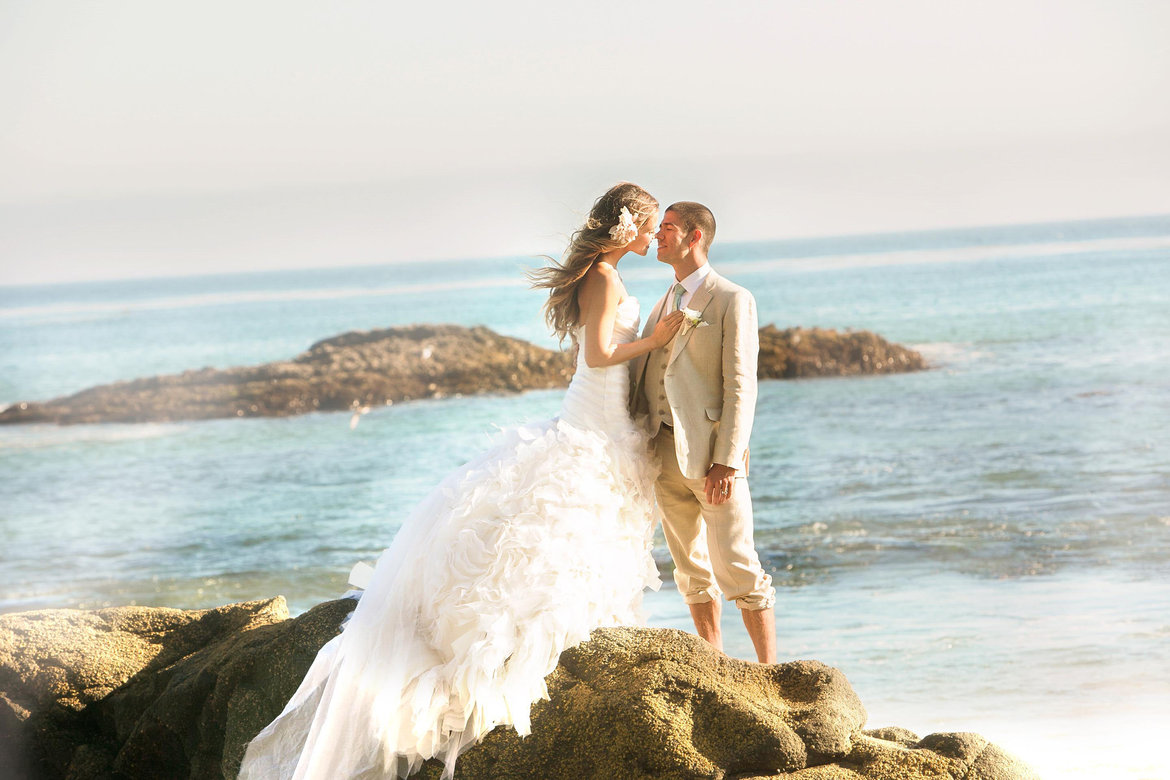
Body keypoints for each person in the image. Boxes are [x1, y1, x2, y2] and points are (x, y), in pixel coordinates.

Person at [238, 183, 684, 780]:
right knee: (569, 511)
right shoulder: (603, 278)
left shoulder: (603, 274)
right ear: (629, 227)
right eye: (651, 225)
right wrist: (659, 338)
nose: (655, 236)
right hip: (596, 406)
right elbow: (601, 355)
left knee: (578, 513)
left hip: (600, 409)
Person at [630, 201, 778, 663]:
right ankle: (715, 666)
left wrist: (727, 461)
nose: (659, 235)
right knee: (690, 569)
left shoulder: (733, 298)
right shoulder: (663, 300)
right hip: (662, 450)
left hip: (713, 459)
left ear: (695, 237)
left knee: (739, 566)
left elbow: (740, 385)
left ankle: (770, 671)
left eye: (668, 229)